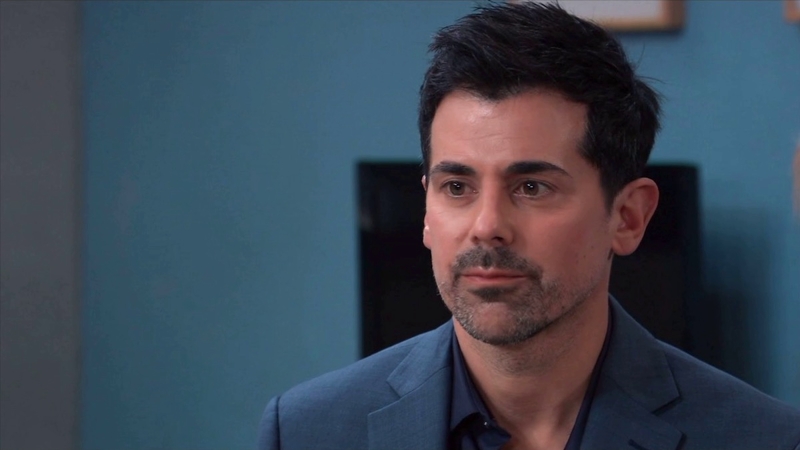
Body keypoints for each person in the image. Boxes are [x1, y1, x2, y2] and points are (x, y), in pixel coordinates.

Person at [258, 3, 800, 450]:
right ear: (425, 210)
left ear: (628, 216)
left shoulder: (762, 439)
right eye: (457, 187)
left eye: (532, 187)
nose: (487, 227)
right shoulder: (308, 431)